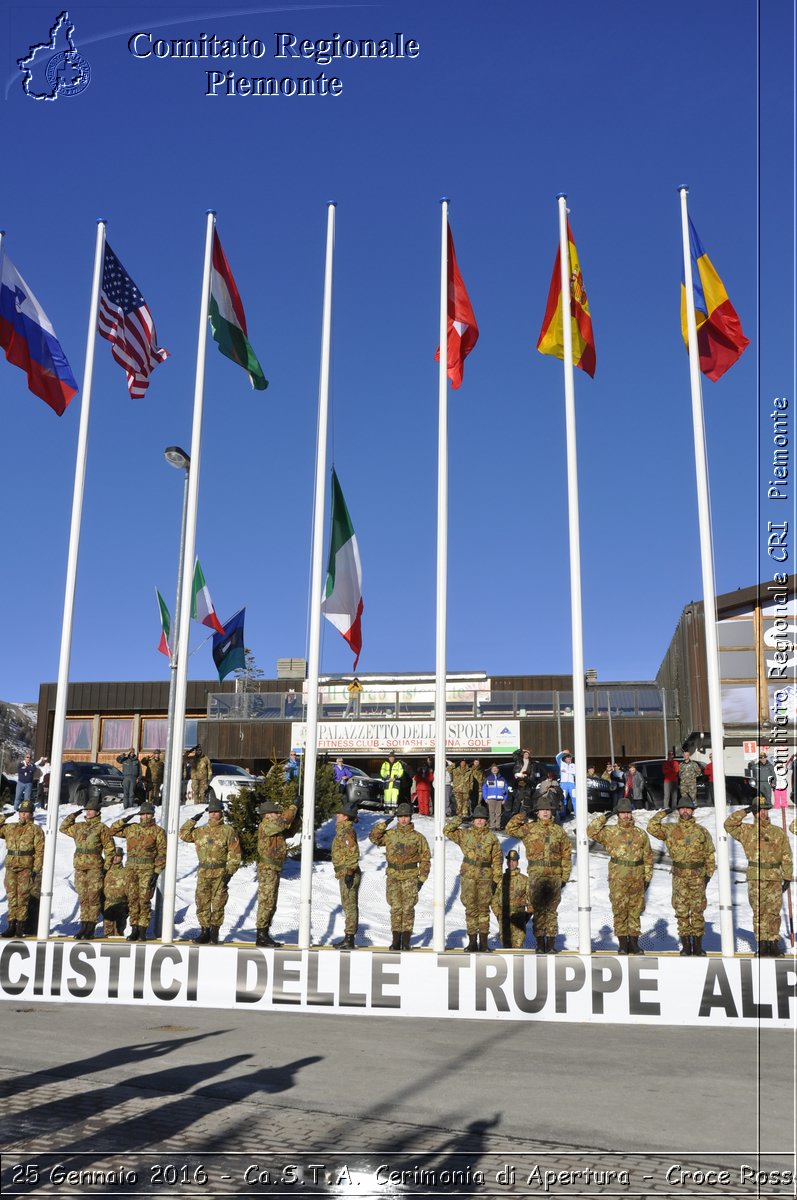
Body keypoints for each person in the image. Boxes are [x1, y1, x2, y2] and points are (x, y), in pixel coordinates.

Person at [725, 796, 793, 956]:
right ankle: (762, 944)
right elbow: (728, 824)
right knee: (759, 912)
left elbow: (786, 855)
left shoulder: (778, 832)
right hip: (756, 878)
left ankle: (773, 943)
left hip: (775, 877)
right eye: (758, 810)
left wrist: (788, 877)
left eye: (764, 810)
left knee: (773, 913)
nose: (761, 813)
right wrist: (746, 810)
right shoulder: (746, 831)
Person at [648, 798, 716, 955]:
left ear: (693, 811)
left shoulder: (702, 831)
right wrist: (664, 812)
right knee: (682, 911)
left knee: (698, 911)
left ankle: (698, 946)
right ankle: (686, 946)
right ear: (678, 811)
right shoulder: (671, 829)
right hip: (679, 876)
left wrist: (708, 875)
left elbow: (709, 855)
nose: (685, 811)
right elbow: (651, 827)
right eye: (682, 809)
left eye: (688, 809)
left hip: (698, 876)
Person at [506, 794, 572, 953]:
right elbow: (510, 828)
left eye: (547, 809)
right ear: (537, 812)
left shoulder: (559, 831)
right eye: (542, 809)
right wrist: (523, 814)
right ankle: (540, 944)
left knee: (551, 911)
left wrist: (564, 877)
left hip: (554, 876)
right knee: (538, 910)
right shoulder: (530, 829)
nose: (545, 812)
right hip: (536, 875)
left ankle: (550, 943)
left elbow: (566, 855)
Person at [587, 797, 653, 954]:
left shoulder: (640, 834)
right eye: (622, 813)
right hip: (618, 876)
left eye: (628, 813)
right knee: (620, 909)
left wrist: (647, 877)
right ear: (618, 814)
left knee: (635, 910)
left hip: (637, 875)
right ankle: (623, 944)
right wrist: (605, 816)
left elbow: (648, 857)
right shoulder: (610, 832)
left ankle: (634, 944)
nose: (625, 816)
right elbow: (591, 830)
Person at [369, 801, 430, 950]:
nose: (403, 819)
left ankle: (406, 941)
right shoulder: (390, 834)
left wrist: (421, 879)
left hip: (410, 877)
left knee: (408, 909)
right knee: (395, 908)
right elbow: (374, 838)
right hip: (393, 876)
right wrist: (384, 824)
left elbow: (425, 858)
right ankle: (396, 940)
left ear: (410, 817)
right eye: (401, 816)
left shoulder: (418, 837)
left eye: (406, 816)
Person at [179, 798, 241, 944]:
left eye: (216, 812)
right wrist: (193, 820)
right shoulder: (200, 831)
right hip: (203, 873)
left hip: (220, 873)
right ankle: (204, 931)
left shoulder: (228, 831)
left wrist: (229, 872)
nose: (213, 815)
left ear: (221, 813)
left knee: (218, 903)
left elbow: (235, 854)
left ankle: (214, 932)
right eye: (211, 812)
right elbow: (183, 834)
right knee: (202, 903)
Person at [444, 805, 503, 952]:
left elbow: (497, 859)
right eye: (477, 819)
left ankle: (483, 943)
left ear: (486, 821)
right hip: (469, 876)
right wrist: (459, 818)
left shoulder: (492, 838)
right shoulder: (465, 835)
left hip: (485, 876)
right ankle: (472, 942)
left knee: (483, 910)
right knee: (471, 909)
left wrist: (496, 879)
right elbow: (447, 831)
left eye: (482, 819)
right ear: (473, 820)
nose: (479, 822)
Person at [60, 795, 117, 940]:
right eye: (87, 810)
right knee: (83, 898)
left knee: (93, 898)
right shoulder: (79, 827)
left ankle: (90, 927)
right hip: (80, 867)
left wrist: (105, 867)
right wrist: (74, 814)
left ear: (98, 812)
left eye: (92, 810)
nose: (89, 812)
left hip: (94, 867)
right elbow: (63, 827)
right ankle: (83, 926)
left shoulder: (102, 828)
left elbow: (110, 850)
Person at [108, 802, 167, 941]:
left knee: (144, 900)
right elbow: (112, 830)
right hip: (131, 869)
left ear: (152, 815)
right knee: (132, 900)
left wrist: (157, 871)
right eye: (142, 814)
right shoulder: (131, 828)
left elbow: (163, 853)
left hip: (147, 870)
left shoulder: (158, 831)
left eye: (148, 814)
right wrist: (124, 820)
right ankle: (134, 928)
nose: (145, 817)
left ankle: (142, 930)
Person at [255, 798, 298, 947]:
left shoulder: (275, 828)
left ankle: (264, 933)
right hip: (267, 868)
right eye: (275, 813)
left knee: (271, 902)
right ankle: (261, 935)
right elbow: (283, 822)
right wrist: (293, 807)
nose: (278, 815)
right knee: (266, 901)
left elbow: (290, 831)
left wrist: (297, 816)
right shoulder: (267, 825)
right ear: (267, 815)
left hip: (275, 868)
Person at [0, 799, 44, 938]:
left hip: (26, 867)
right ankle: (11, 925)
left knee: (23, 898)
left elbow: (40, 851)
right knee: (12, 896)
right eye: (22, 812)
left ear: (31, 814)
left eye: (26, 813)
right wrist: (3, 816)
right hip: (11, 867)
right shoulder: (10, 827)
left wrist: (36, 869)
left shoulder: (36, 830)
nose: (23, 815)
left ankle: (20, 926)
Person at [331, 804, 361, 948]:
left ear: (345, 817)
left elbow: (353, 853)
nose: (337, 816)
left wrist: (349, 872)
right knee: (347, 905)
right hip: (344, 872)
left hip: (348, 873)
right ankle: (348, 937)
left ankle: (349, 939)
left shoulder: (347, 832)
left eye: (339, 814)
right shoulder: (343, 831)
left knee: (350, 906)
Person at [490, 849, 530, 949]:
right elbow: (493, 898)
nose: (511, 863)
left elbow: (532, 900)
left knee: (518, 949)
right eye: (509, 861)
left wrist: (527, 916)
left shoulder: (525, 880)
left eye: (514, 861)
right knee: (506, 948)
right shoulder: (501, 879)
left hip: (518, 918)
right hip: (504, 918)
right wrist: (498, 914)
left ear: (517, 862)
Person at [102, 847, 129, 937]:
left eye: (118, 856)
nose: (115, 858)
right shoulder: (104, 871)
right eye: (113, 856)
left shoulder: (126, 872)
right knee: (107, 932)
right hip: (108, 904)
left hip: (121, 905)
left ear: (122, 857)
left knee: (119, 931)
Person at [482, 762, 510, 830]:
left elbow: (506, 789)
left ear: (498, 770)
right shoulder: (488, 779)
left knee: (498, 813)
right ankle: (492, 826)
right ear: (491, 770)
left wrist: (505, 799)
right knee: (491, 812)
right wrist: (485, 798)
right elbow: (484, 789)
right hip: (491, 798)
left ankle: (497, 826)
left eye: (496, 769)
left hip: (500, 799)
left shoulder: (502, 779)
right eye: (493, 769)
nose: (494, 770)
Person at [511, 749, 534, 815]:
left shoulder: (531, 763)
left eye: (527, 754)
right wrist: (522, 750)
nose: (526, 755)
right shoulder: (518, 760)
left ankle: (525, 816)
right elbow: (514, 753)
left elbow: (532, 775)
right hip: (518, 781)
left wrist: (527, 778)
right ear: (523, 754)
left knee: (526, 801)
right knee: (517, 801)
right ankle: (514, 816)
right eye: (525, 754)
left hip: (526, 782)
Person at [556, 749, 576, 818]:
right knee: (563, 799)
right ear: (565, 758)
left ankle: (577, 814)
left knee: (574, 798)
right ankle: (562, 814)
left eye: (570, 757)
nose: (569, 758)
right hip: (563, 784)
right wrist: (563, 752)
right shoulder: (561, 764)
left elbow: (576, 773)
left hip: (572, 784)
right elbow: (557, 757)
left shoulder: (574, 765)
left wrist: (569, 772)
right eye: (567, 757)